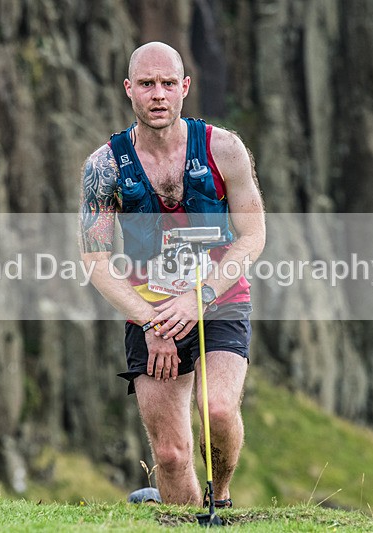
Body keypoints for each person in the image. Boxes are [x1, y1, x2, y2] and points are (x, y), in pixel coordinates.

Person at [79, 41, 265, 507]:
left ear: (185, 87)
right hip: (151, 310)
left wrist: (200, 296)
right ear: (129, 89)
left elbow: (253, 236)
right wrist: (151, 323)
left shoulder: (224, 149)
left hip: (219, 298)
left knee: (217, 409)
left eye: (167, 83)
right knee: (170, 454)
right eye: (147, 84)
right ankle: (182, 518)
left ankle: (219, 502)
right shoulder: (104, 167)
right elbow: (95, 261)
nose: (158, 94)